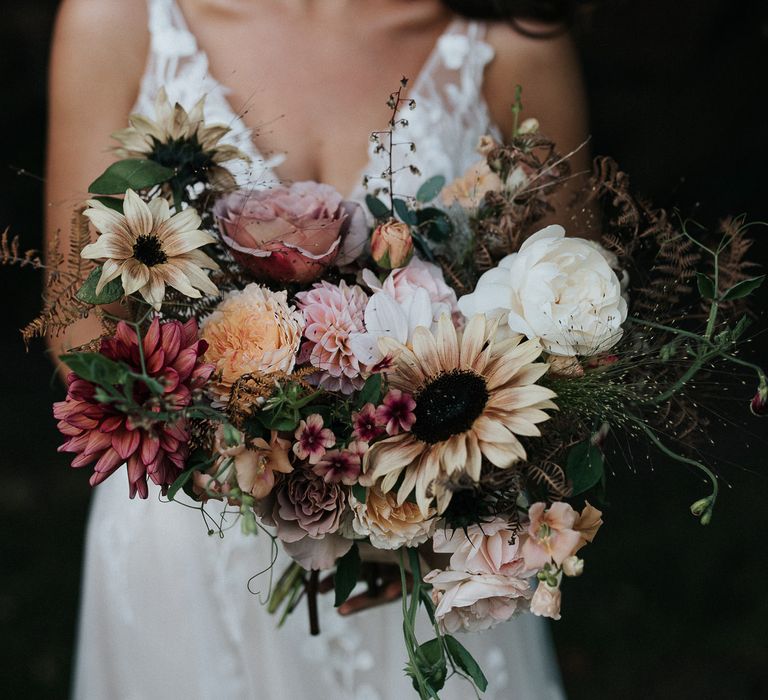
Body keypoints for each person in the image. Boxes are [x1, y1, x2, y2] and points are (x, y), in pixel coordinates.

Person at [46, 1, 590, 697]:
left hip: (427, 555)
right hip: (191, 546)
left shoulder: (513, 33)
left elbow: (573, 327)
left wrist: (417, 515)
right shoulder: (117, 18)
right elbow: (79, 331)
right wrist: (246, 462)